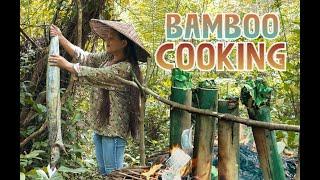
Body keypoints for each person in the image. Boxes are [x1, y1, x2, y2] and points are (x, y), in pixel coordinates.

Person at [48, 19, 150, 176]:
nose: (107, 41)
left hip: (114, 131)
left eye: (111, 38)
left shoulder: (126, 67)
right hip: (101, 127)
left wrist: (67, 65)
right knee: (104, 173)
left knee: (114, 174)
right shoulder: (107, 58)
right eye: (107, 37)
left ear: (123, 43)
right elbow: (84, 56)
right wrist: (61, 38)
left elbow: (98, 75)